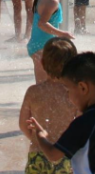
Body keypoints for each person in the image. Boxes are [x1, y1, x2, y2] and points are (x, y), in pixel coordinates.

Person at [26, 52, 95, 174]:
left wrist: (40, 135)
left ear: (83, 88)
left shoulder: (83, 123)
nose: (68, 96)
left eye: (68, 90)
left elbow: (53, 155)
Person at [19, 38, 77, 174]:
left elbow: (23, 124)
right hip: (64, 154)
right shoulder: (73, 94)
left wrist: (38, 140)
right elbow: (82, 127)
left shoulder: (33, 92)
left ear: (42, 63)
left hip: (37, 155)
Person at [28, 0, 75, 83]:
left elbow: (35, 19)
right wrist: (62, 34)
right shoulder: (51, 0)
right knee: (46, 87)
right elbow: (41, 23)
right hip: (42, 48)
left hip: (38, 46)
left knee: (46, 87)